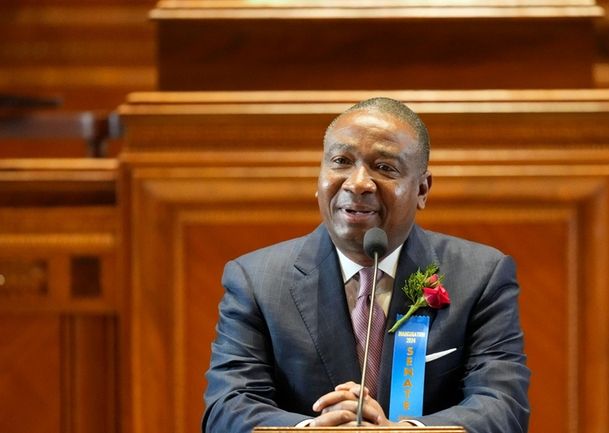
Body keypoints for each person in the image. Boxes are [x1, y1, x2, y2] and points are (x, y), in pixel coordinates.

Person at [202, 97, 530, 433]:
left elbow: (503, 405)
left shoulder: (480, 277)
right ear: (319, 180)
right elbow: (228, 406)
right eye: (341, 161)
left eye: (384, 167)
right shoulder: (256, 281)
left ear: (422, 189)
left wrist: (403, 431)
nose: (358, 183)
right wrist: (313, 430)